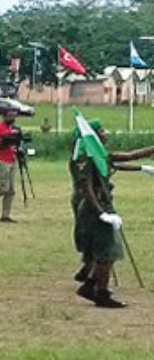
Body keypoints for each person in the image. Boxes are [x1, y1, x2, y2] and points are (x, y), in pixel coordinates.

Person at [69, 121, 154, 308]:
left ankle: (90, 285)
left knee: (108, 250)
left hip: (101, 205)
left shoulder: (98, 155)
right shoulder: (85, 158)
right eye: (102, 131)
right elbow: (87, 188)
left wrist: (143, 165)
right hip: (95, 208)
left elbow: (128, 157)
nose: (106, 134)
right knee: (106, 252)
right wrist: (102, 214)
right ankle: (101, 293)